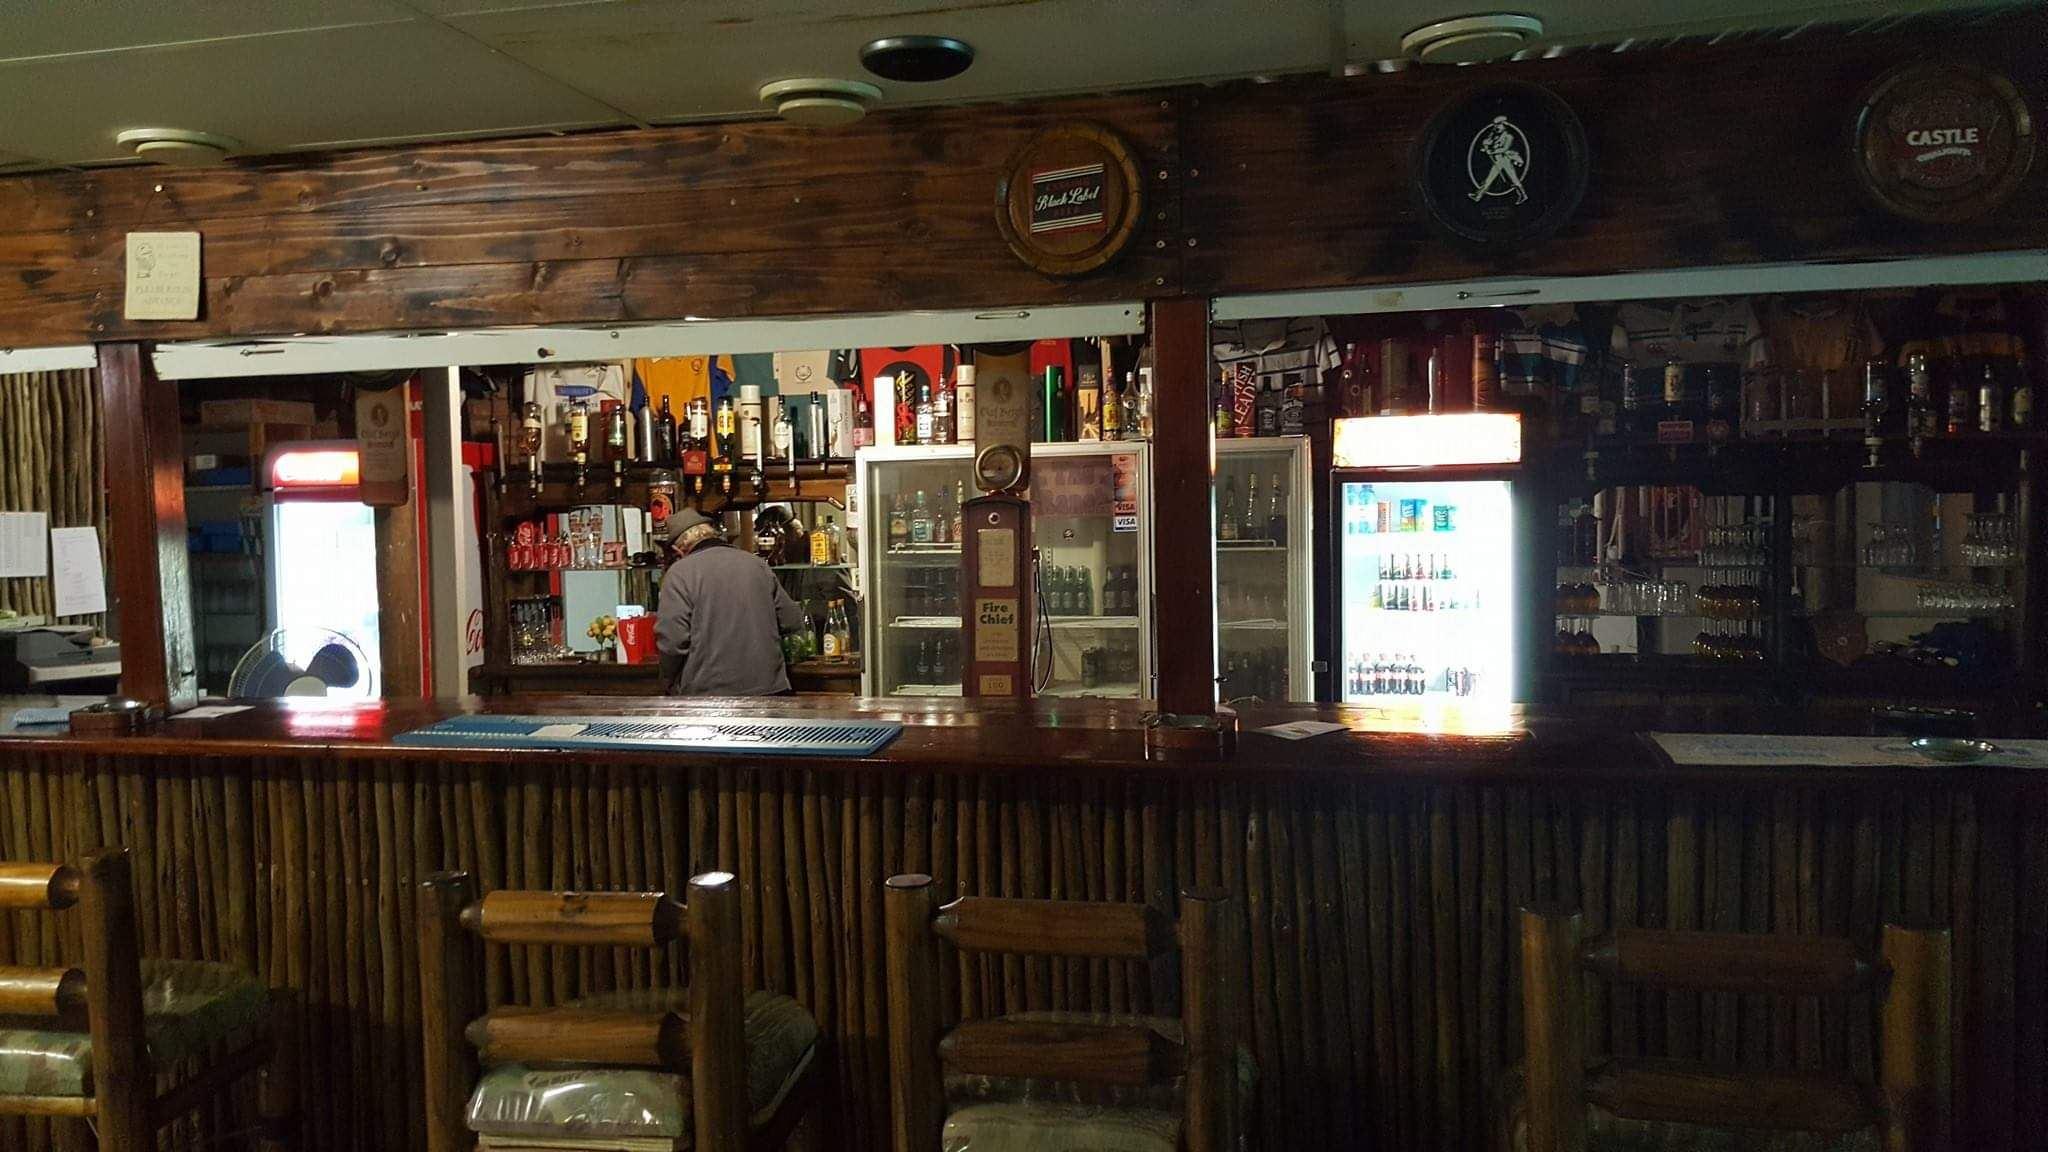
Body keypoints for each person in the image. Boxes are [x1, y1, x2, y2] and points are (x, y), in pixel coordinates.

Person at [655, 508, 806, 695]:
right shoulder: (756, 564)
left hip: (709, 696)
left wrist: (668, 681)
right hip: (770, 690)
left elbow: (673, 641)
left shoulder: (679, 574)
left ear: (677, 551)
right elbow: (792, 621)